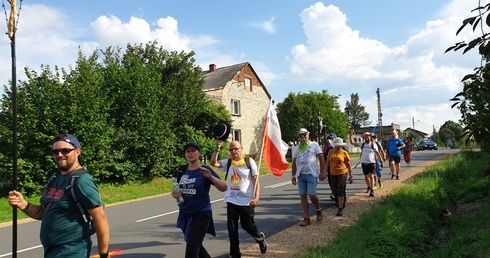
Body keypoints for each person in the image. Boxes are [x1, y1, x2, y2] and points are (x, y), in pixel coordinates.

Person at [8, 134, 111, 258]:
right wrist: (23, 204)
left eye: (65, 150)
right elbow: (42, 212)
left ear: (78, 152)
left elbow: (101, 219)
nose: (60, 154)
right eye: (55, 151)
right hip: (52, 252)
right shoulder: (54, 179)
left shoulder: (82, 181)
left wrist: (103, 254)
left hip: (72, 252)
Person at [210, 140, 267, 258]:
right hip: (232, 199)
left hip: (246, 201)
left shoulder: (249, 162)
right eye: (231, 150)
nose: (234, 152)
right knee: (232, 228)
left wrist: (256, 198)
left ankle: (260, 238)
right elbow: (213, 163)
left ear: (241, 149)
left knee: (248, 225)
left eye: (236, 149)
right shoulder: (229, 162)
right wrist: (217, 148)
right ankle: (235, 254)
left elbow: (256, 181)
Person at [174, 141, 228, 258]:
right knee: (197, 247)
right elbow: (179, 192)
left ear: (199, 153)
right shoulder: (182, 170)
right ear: (185, 155)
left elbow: (224, 187)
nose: (190, 153)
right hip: (185, 214)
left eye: (193, 150)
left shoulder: (205, 170)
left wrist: (211, 177)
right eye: (188, 151)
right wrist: (176, 194)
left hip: (201, 213)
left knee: (191, 251)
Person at [291, 128, 325, 226]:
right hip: (301, 174)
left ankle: (318, 209)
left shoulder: (314, 145)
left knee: (312, 195)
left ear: (308, 135)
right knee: (303, 196)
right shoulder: (296, 148)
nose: (303, 137)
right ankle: (306, 217)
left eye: (305, 135)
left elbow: (321, 158)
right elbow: (294, 162)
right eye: (301, 135)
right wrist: (293, 175)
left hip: (311, 173)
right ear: (299, 137)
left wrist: (322, 172)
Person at [348, 131, 384, 197]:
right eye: (365, 137)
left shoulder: (373, 144)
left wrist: (381, 160)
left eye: (368, 137)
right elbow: (352, 143)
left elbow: (377, 153)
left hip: (372, 163)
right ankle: (368, 186)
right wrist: (350, 136)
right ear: (364, 138)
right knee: (366, 176)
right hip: (364, 163)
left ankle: (372, 190)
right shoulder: (362, 144)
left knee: (371, 176)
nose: (367, 138)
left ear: (370, 137)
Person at [325, 137, 353, 216]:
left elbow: (348, 164)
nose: (337, 147)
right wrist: (324, 172)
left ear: (341, 146)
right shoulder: (330, 152)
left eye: (339, 145)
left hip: (342, 173)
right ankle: (341, 200)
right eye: (336, 145)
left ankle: (340, 208)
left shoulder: (344, 153)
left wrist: (351, 175)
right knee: (334, 190)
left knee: (340, 189)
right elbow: (327, 162)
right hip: (332, 173)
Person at [323, 133, 337, 202]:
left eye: (332, 139)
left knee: (339, 182)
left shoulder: (340, 148)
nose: (330, 140)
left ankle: (339, 197)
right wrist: (324, 169)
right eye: (329, 139)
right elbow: (325, 159)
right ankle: (333, 193)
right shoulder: (328, 149)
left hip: (338, 169)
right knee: (331, 182)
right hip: (330, 169)